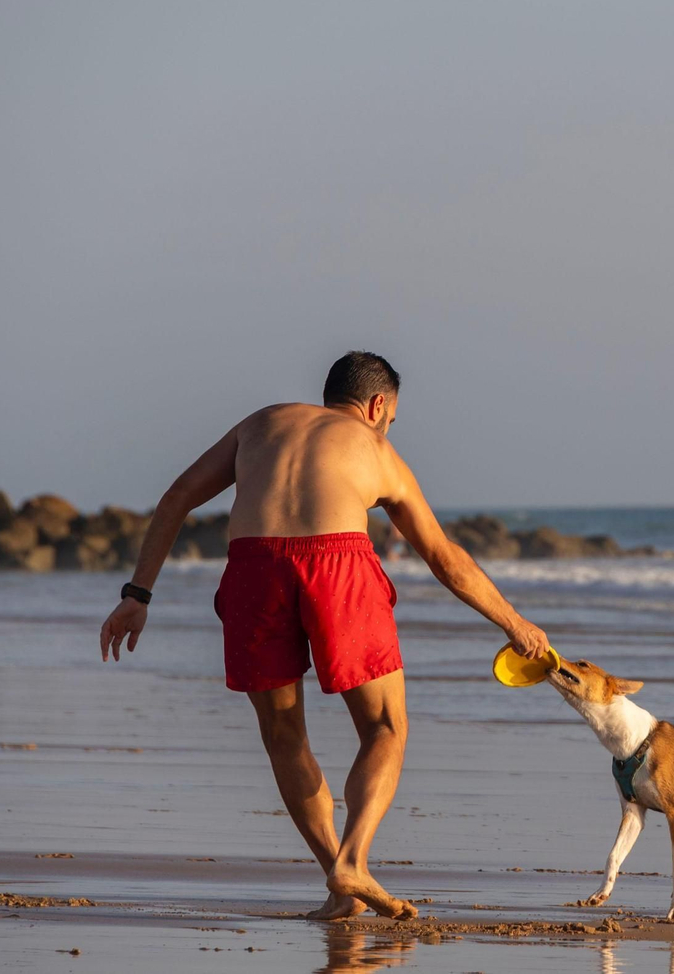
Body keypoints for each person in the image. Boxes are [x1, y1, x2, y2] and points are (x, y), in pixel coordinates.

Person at [98, 351, 550, 920]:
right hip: (337, 564)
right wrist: (515, 624)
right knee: (385, 726)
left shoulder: (260, 423)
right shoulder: (377, 448)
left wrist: (136, 596)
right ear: (378, 405)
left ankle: (338, 885)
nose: (389, 426)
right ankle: (353, 860)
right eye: (391, 417)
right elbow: (442, 556)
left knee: (283, 735)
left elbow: (177, 498)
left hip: (252, 566)